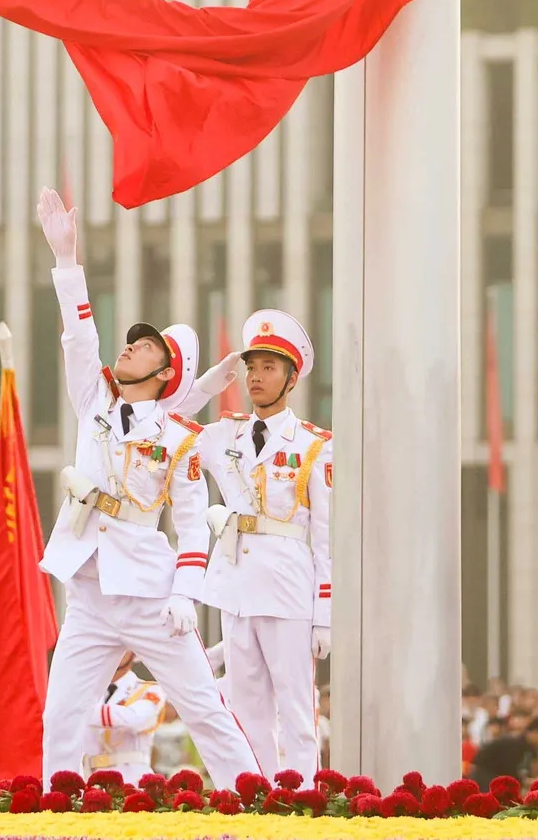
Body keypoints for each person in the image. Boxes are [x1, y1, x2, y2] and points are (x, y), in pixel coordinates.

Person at [33, 187, 261, 787]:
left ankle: (260, 804)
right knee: (60, 718)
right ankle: (53, 819)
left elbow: (191, 523)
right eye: (131, 341)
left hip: (151, 597)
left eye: (144, 347)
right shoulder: (96, 404)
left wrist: (186, 594)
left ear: (164, 375)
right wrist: (66, 261)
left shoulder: (181, 438)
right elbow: (78, 341)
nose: (128, 346)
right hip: (89, 591)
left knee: (205, 710)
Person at [190, 309, 332, 780]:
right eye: (251, 367)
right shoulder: (224, 434)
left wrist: (324, 612)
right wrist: (208, 386)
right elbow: (163, 422)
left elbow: (326, 537)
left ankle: (306, 799)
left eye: (269, 367)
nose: (255, 376)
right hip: (234, 585)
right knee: (246, 708)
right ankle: (257, 803)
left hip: (289, 587)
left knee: (295, 709)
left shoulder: (314, 445)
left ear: (291, 379)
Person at [84, 653, 164, 777]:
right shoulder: (86, 691)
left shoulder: (149, 689)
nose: (115, 650)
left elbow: (134, 720)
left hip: (131, 781)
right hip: (90, 779)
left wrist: (78, 712)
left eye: (122, 646)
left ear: (133, 653)